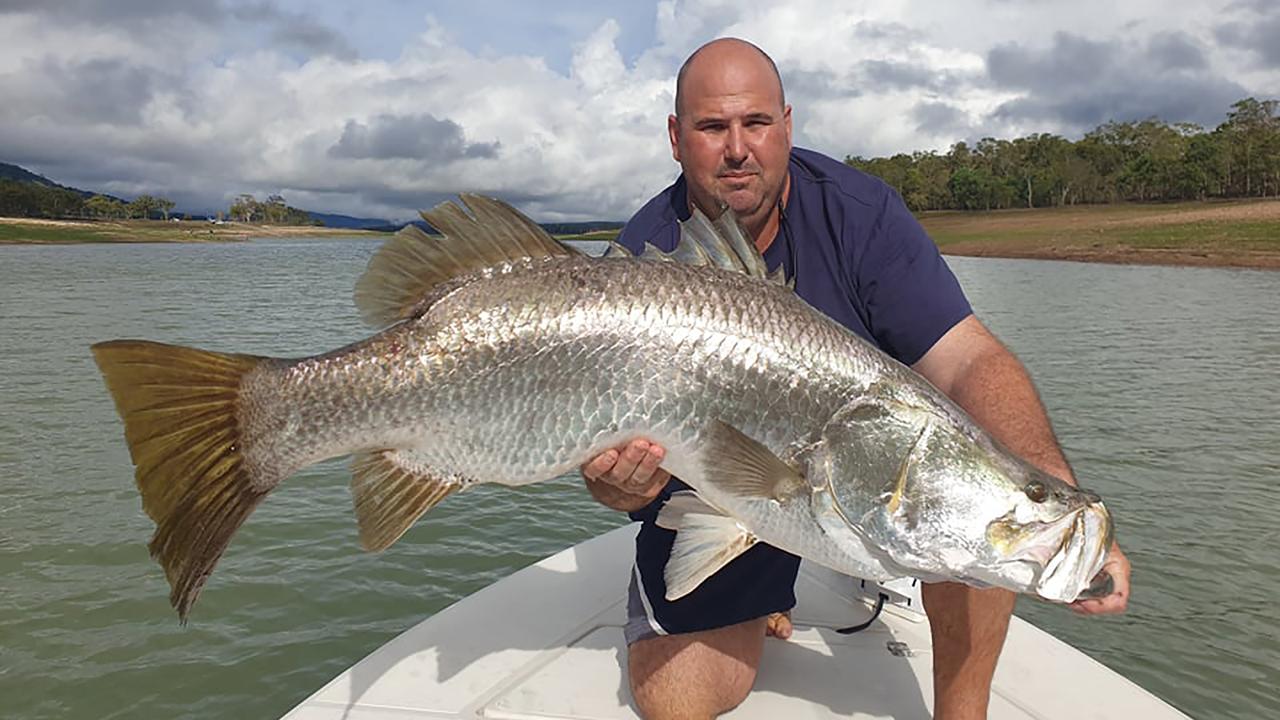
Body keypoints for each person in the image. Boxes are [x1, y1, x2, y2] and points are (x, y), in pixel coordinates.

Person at [581, 37, 1132, 720]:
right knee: (676, 699)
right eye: (711, 127)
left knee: (977, 500)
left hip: (860, 476)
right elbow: (619, 477)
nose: (737, 148)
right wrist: (613, 483)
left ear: (786, 124)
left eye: (755, 123)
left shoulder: (860, 212)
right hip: (726, 496)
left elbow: (969, 361)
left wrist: (1050, 480)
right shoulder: (637, 262)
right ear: (675, 137)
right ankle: (769, 586)